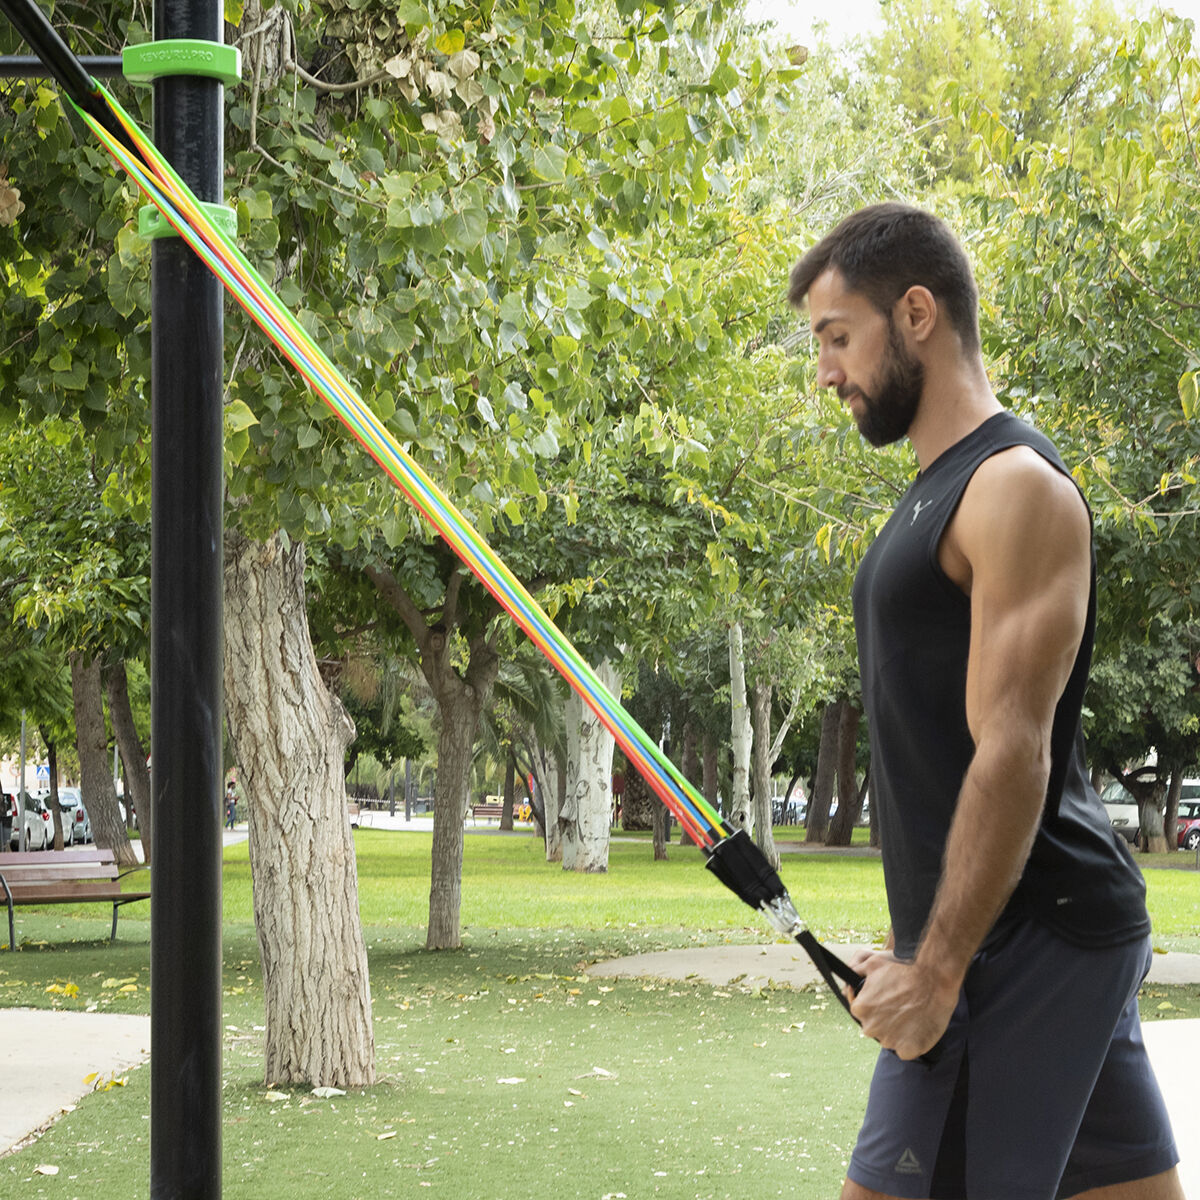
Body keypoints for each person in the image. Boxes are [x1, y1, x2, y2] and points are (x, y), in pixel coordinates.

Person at [787, 203, 1182, 1200]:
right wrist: (923, 937)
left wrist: (940, 966)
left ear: (916, 312)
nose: (825, 371)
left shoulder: (1013, 488)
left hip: (1023, 942)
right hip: (1042, 928)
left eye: (839, 337)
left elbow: (1012, 746)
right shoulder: (935, 490)